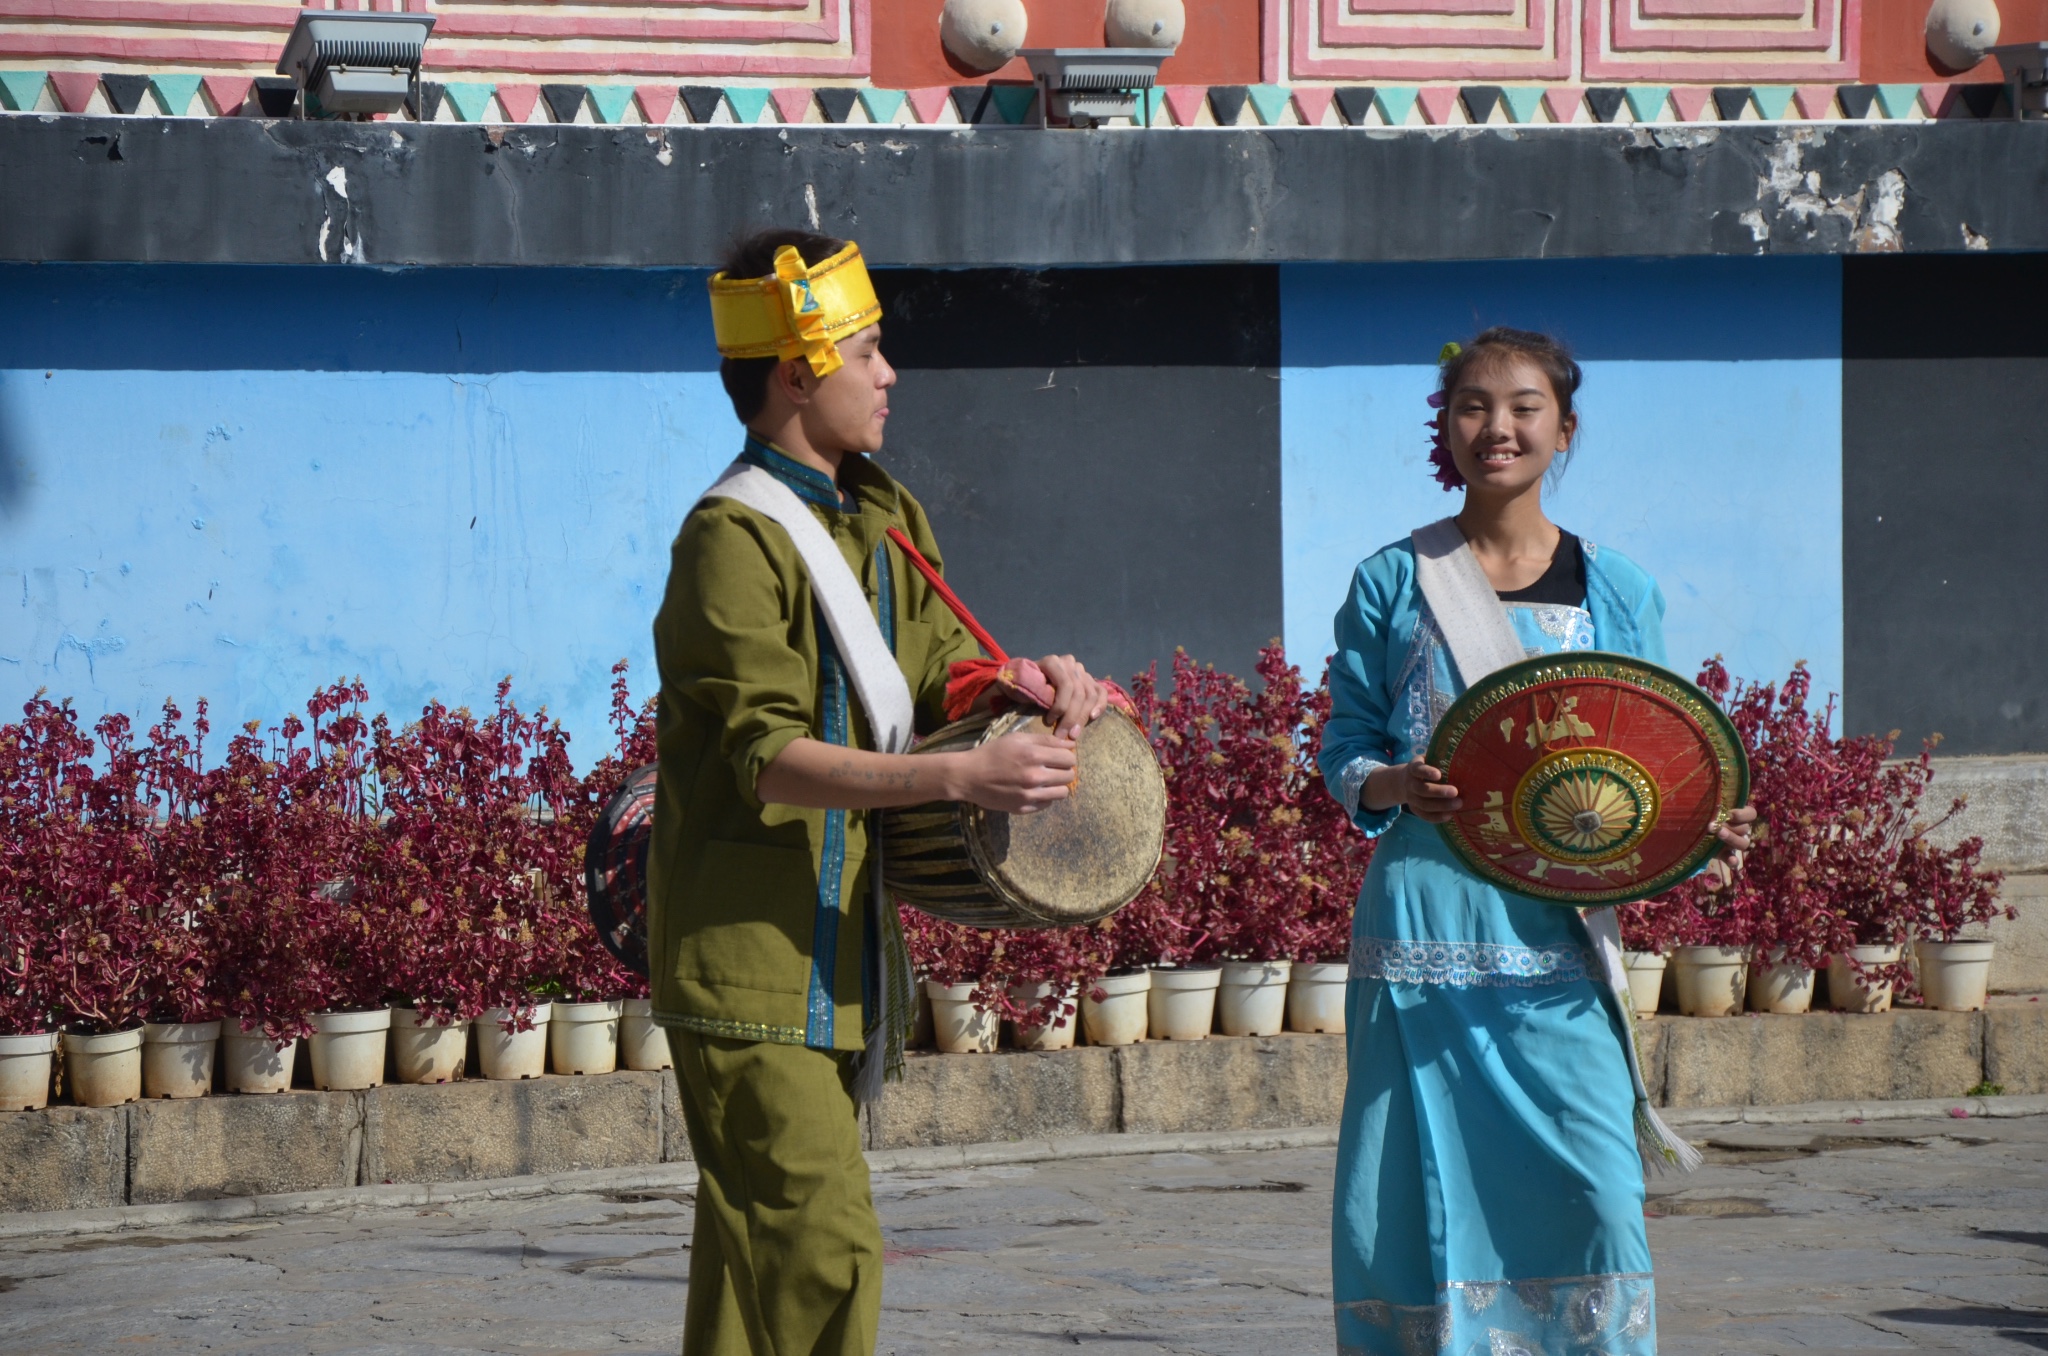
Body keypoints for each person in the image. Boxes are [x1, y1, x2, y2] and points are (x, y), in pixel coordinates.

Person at [647, 228, 1110, 1356]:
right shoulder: (730, 539)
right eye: (864, 351)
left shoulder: (882, 515)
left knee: (752, 1261)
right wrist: (961, 776)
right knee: (823, 1247)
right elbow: (768, 756)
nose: (887, 374)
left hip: (840, 945)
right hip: (744, 961)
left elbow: (935, 664)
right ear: (798, 369)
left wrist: (1021, 680)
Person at [1316, 327, 1756, 1355]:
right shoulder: (1390, 579)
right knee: (1408, 1189)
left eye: (1522, 407)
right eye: (1471, 405)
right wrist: (1390, 782)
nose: (1495, 427)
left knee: (1596, 1190)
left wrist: (1701, 832)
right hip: (1422, 919)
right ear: (1445, 426)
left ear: (1563, 429)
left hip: (1556, 928)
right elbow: (1342, 745)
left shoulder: (1617, 589)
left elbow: (1657, 762)